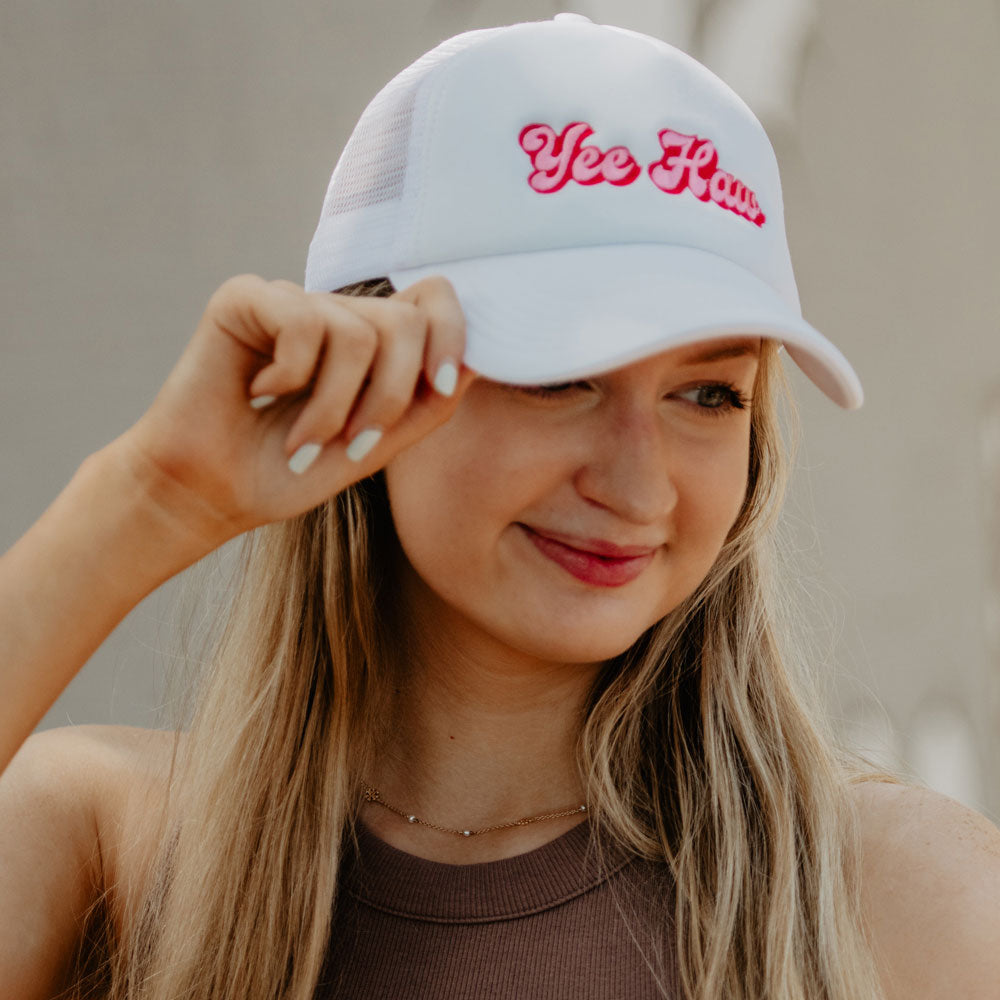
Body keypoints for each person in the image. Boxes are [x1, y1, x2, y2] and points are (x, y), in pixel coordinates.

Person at [2, 11, 1000, 1000]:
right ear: (365, 364)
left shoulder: (898, 895)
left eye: (708, 394)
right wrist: (151, 499)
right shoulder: (107, 846)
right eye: (557, 373)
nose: (639, 484)